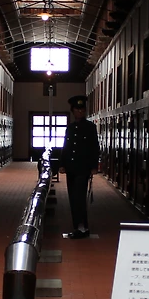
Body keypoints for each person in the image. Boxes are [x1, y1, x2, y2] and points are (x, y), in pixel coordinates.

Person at [56, 95, 101, 239]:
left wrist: (94, 166)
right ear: (73, 111)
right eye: (77, 110)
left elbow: (95, 147)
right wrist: (62, 164)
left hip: (83, 168)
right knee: (72, 197)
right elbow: (66, 147)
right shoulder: (70, 128)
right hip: (71, 168)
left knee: (79, 197)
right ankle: (78, 226)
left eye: (82, 110)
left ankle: (82, 227)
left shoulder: (90, 127)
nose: (80, 112)